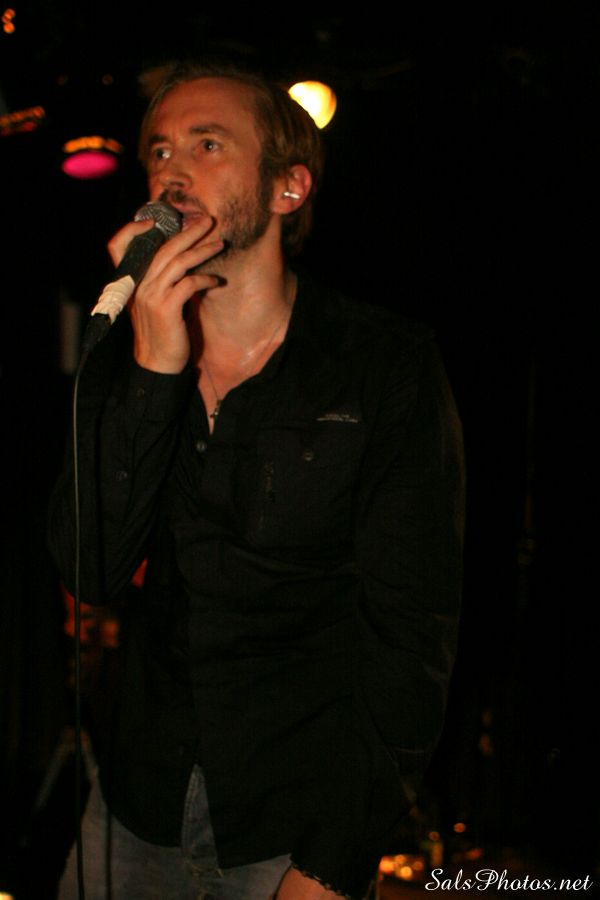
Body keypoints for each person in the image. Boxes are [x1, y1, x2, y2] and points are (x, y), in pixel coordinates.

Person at [48, 58, 465, 900]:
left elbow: (411, 636)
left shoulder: (383, 366)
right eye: (160, 151)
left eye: (208, 144)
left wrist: (332, 859)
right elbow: (89, 570)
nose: (172, 170)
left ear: (288, 187)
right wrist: (153, 370)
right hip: (136, 803)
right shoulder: (130, 352)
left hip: (292, 816)